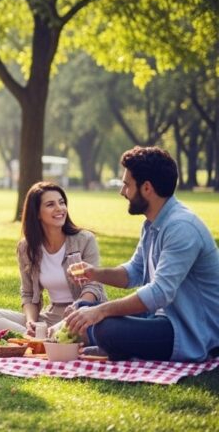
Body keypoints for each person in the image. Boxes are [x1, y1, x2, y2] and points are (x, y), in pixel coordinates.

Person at [64, 146, 219, 362]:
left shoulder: (182, 227)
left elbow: (159, 293)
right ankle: (107, 342)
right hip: (159, 317)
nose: (122, 192)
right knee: (83, 309)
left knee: (106, 327)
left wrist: (101, 312)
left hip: (189, 331)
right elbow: (133, 272)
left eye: (127, 185)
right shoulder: (152, 224)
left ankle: (105, 341)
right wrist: (94, 273)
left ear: (147, 188)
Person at [0, 182, 106, 335]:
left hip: (83, 315)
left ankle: (41, 339)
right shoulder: (26, 248)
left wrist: (76, 308)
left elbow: (94, 286)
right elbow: (28, 294)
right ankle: (36, 337)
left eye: (61, 202)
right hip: (51, 317)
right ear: (37, 213)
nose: (59, 208)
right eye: (50, 204)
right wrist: (31, 322)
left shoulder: (84, 240)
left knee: (73, 332)